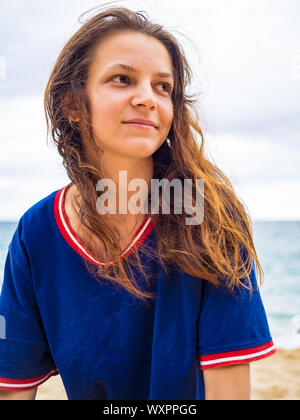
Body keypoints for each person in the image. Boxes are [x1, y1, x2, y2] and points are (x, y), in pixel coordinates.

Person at [0, 6, 276, 400]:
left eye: (163, 87)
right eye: (122, 79)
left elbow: (229, 390)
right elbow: (13, 387)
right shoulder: (36, 232)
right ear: (73, 105)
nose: (148, 99)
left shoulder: (210, 217)